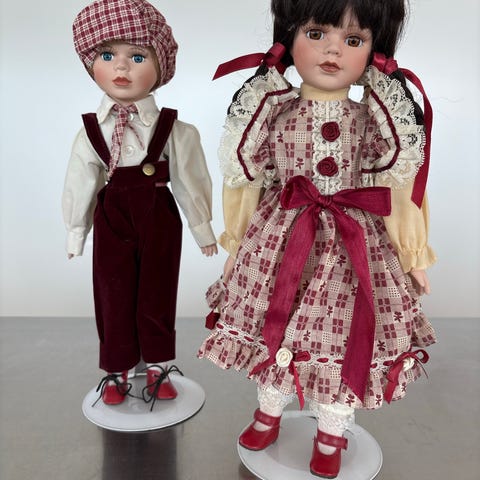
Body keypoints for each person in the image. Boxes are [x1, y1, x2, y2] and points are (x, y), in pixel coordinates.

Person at [198, 0, 436, 477]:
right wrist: (237, 244)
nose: (333, 50)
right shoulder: (273, 112)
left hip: (354, 248)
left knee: (343, 339)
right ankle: (269, 412)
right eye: (316, 34)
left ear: (375, 52)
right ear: (289, 38)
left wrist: (412, 254)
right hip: (282, 240)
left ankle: (332, 431)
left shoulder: (375, 120)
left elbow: (399, 190)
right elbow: (245, 181)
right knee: (278, 327)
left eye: (353, 40)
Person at [63, 0, 217, 407]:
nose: (121, 67)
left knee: (157, 290)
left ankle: (158, 365)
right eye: (106, 55)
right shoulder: (91, 131)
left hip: (158, 213)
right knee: (112, 291)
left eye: (137, 56)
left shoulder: (174, 129)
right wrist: (77, 230)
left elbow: (189, 178)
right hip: (112, 215)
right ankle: (116, 369)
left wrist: (201, 227)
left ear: (160, 66)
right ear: (91, 64)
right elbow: (81, 180)